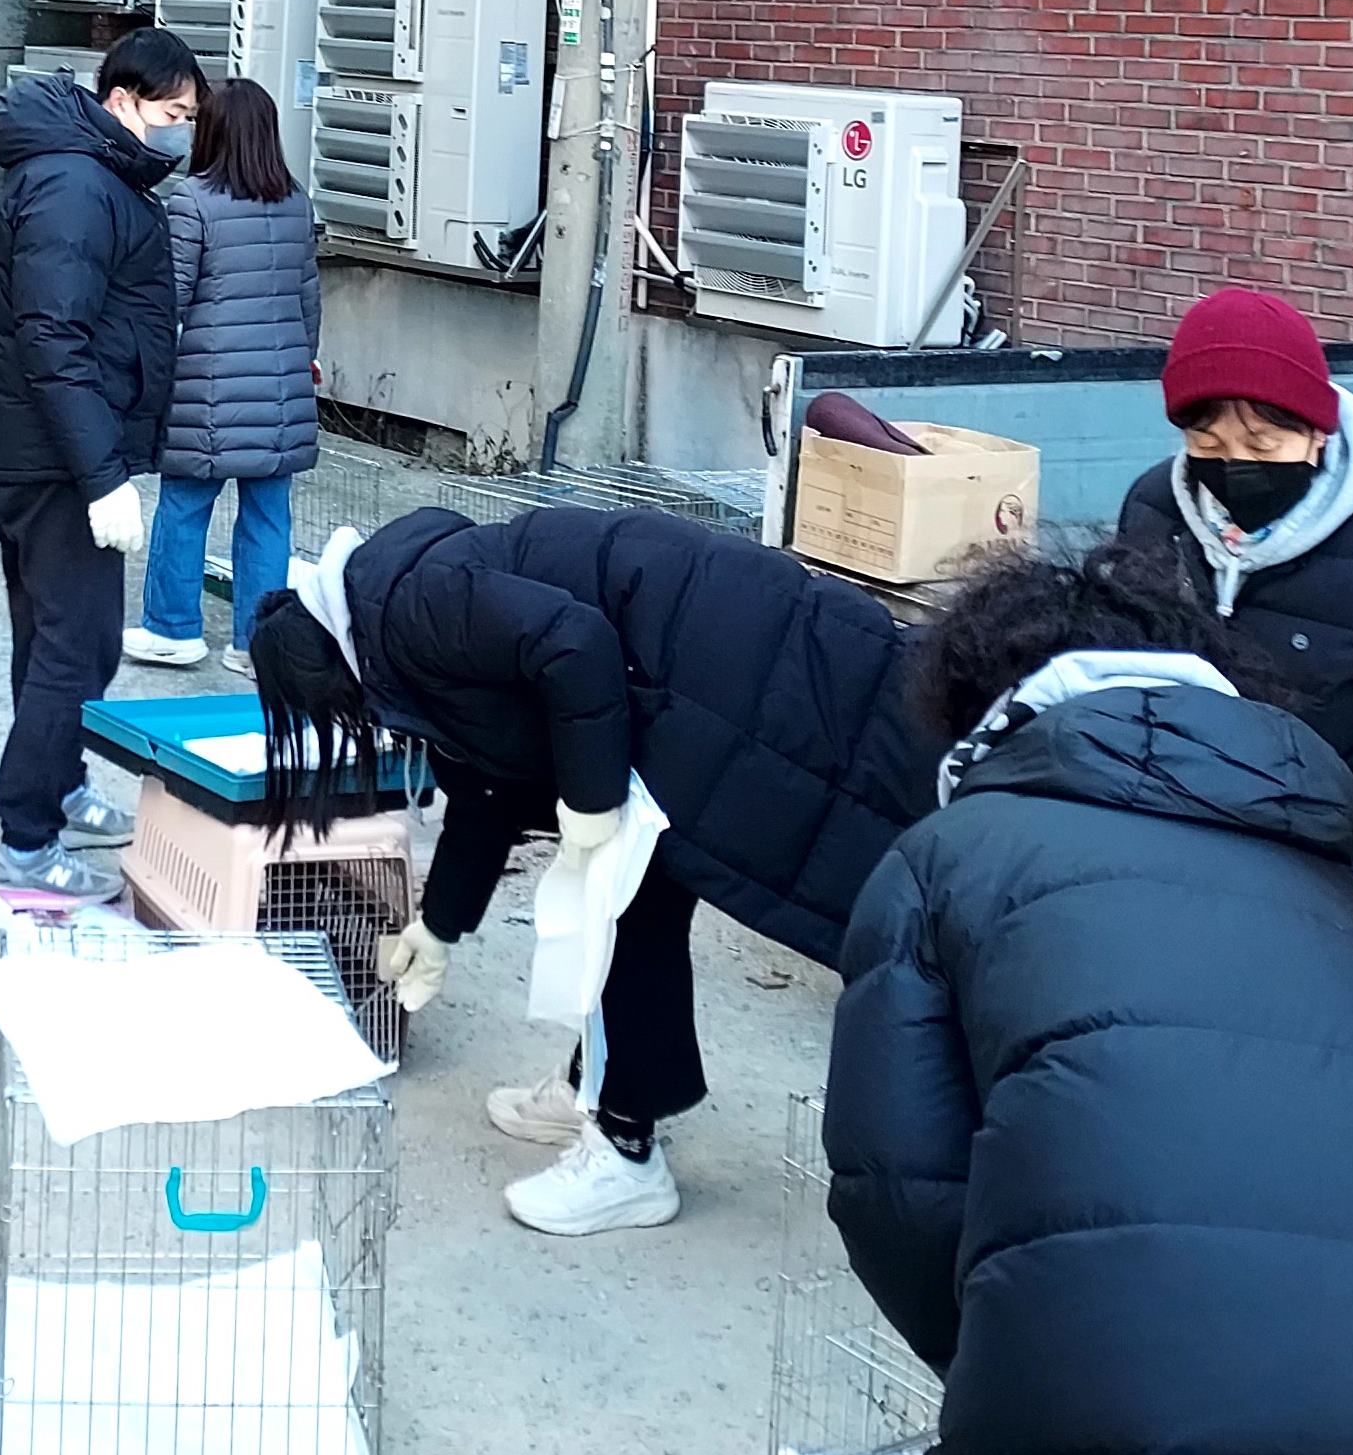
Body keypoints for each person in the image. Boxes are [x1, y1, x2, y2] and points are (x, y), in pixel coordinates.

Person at [824, 543, 1353, 1455]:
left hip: (1122, 1401)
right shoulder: (1339, 887)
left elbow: (899, 1192)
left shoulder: (942, 857)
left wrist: (1009, 1352)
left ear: (976, 713)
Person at [252, 502, 938, 1237]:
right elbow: (486, 777)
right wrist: (438, 922)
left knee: (620, 893)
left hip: (720, 674)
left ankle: (623, 1153)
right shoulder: (389, 607)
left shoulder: (412, 610)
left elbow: (573, 643)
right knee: (631, 889)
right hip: (701, 658)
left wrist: (588, 802)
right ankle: (596, 1088)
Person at [0, 27, 204, 907]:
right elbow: (54, 338)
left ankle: (59, 789)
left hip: (50, 450)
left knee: (55, 641)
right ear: (123, 102)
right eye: (172, 113)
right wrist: (101, 474)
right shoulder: (75, 183)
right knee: (76, 647)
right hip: (59, 459)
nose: (180, 131)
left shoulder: (92, 173)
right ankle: (26, 845)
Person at [1113, 284, 1353, 845]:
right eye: (1206, 442)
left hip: (1345, 851)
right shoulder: (1153, 508)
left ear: (1316, 434)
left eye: (1262, 447)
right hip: (1184, 823)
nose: (1234, 465)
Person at [126, 78, 318, 678]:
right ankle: (255, 646)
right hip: (282, 387)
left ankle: (172, 630)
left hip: (205, 391)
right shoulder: (297, 202)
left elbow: (170, 302)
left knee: (184, 507)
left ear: (211, 132)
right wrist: (296, 359)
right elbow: (309, 299)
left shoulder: (192, 202)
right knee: (268, 518)